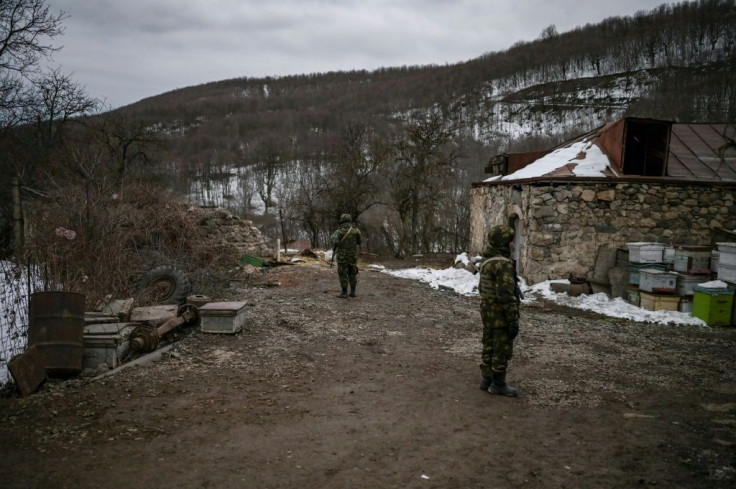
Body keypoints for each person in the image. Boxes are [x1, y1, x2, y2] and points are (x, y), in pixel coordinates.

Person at [477, 224, 522, 397]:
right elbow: (506, 295)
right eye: (510, 241)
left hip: (487, 313)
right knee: (502, 348)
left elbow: (482, 288)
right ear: (503, 243)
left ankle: (486, 379)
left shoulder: (487, 261)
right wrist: (513, 319)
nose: (513, 244)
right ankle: (498, 384)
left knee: (488, 345)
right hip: (500, 315)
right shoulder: (502, 265)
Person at [330, 213, 362, 298]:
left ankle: (344, 292)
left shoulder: (339, 231)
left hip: (342, 257)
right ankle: (353, 291)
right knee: (353, 272)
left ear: (342, 220)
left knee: (343, 273)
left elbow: (334, 241)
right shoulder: (356, 230)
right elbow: (359, 241)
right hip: (352, 256)